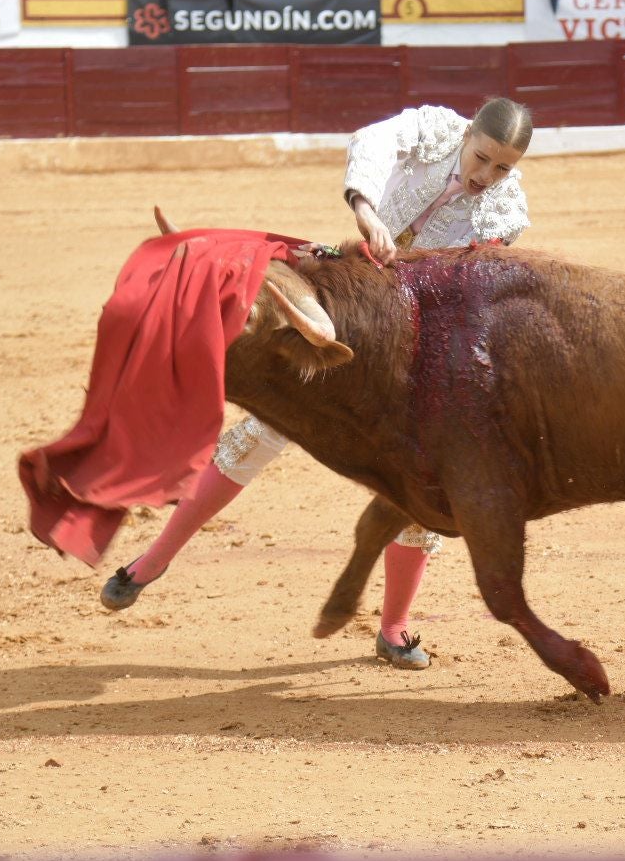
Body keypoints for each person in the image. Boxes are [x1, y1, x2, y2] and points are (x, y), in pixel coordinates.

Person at [102, 100, 536, 674]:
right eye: (482, 158)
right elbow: (373, 143)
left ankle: (394, 626)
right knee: (264, 426)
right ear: (469, 136)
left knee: (421, 478)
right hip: (349, 295)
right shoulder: (435, 129)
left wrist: (404, 264)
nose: (486, 176)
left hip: (412, 340)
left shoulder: (507, 211)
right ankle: (152, 561)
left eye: (501, 169)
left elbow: (465, 285)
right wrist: (366, 208)